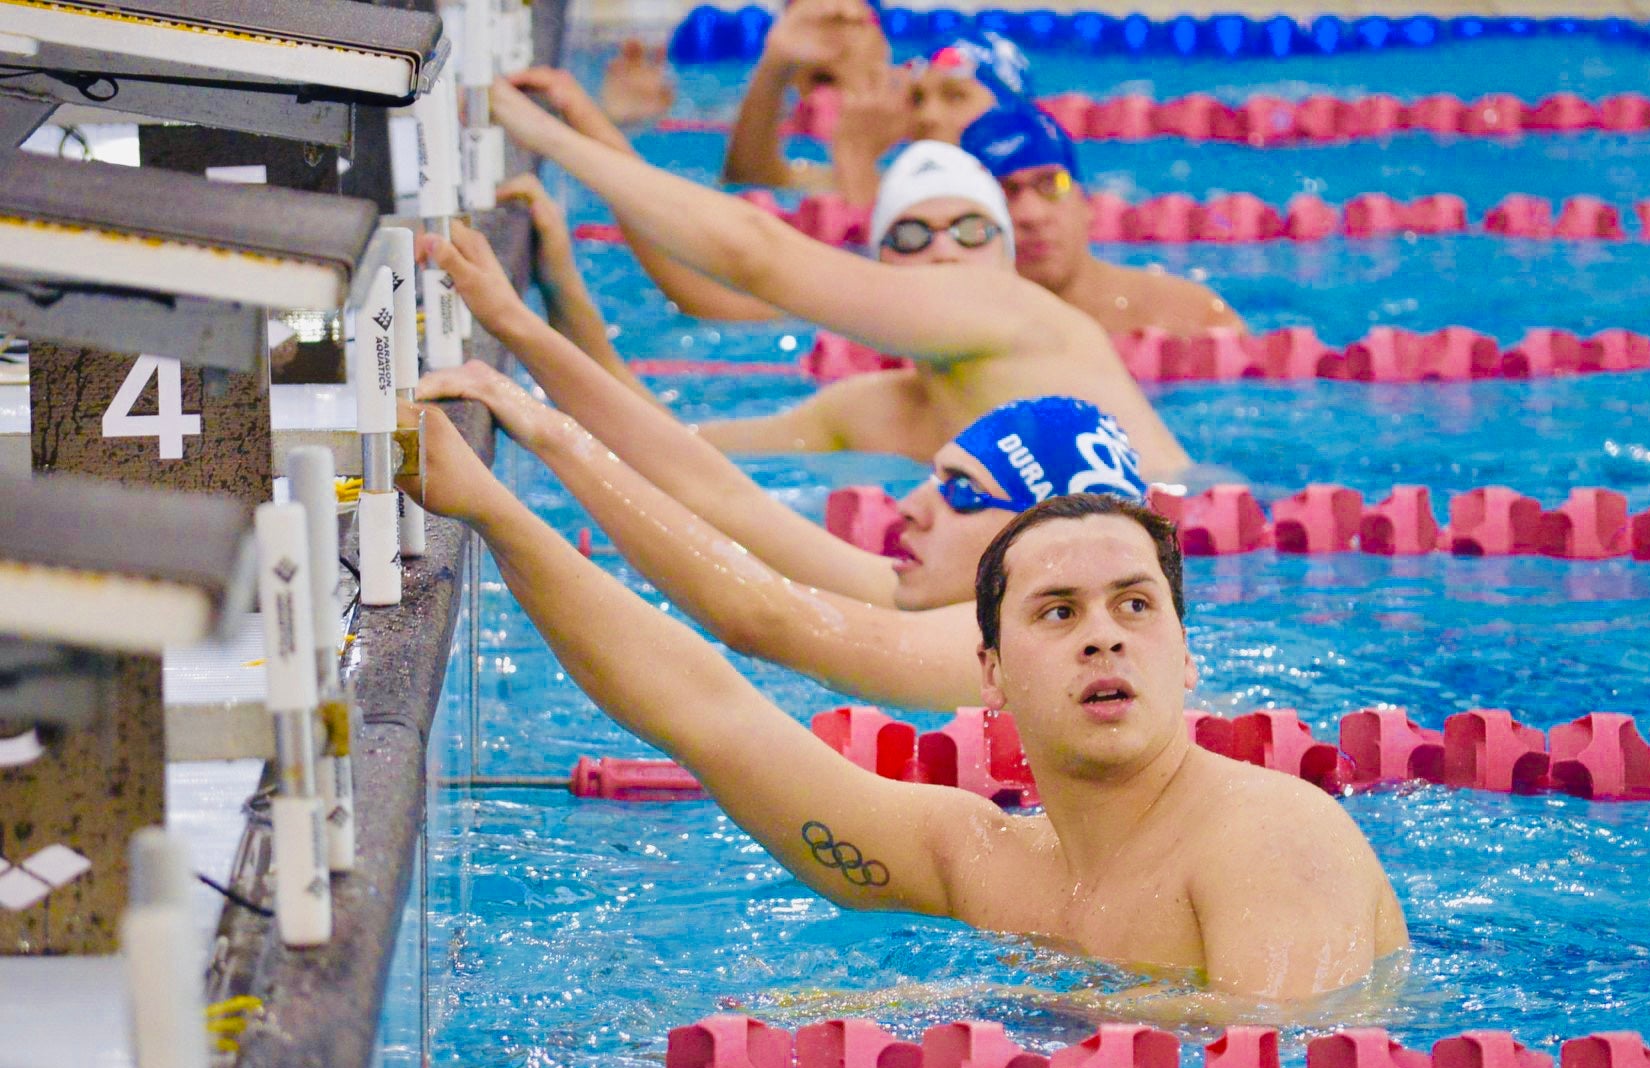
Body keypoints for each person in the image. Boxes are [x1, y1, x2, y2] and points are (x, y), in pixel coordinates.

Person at [400, 411, 1408, 998]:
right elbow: (705, 712)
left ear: (1187, 658)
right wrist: (490, 507)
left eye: (1135, 606)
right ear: (991, 674)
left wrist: (945, 1004)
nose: (1104, 634)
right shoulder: (984, 863)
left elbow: (1290, 1053)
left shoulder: (1274, 837)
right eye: (1058, 613)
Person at [417, 218, 1146, 711]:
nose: (909, 507)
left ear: (1040, 545)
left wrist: (520, 472)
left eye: (962, 493)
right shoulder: (970, 605)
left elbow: (760, 614)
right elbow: (722, 497)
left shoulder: (1024, 652)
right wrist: (516, 330)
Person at [488, 79, 1197, 480]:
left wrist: (545, 136)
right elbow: (662, 438)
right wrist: (563, 291)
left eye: (973, 231)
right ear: (882, 269)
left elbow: (755, 253)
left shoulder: (1015, 310)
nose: (946, 254)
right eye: (915, 236)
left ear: (1006, 260)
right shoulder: (876, 412)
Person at [961, 102, 1247, 337]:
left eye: (1051, 184)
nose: (1031, 215)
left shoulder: (1189, 316)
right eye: (1004, 193)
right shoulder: (955, 330)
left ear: (1087, 203)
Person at [723, 18, 1033, 206]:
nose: (927, 117)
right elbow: (750, 179)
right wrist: (775, 67)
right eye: (917, 98)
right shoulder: (892, 183)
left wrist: (854, 155)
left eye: (955, 97)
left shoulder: (1026, 201)